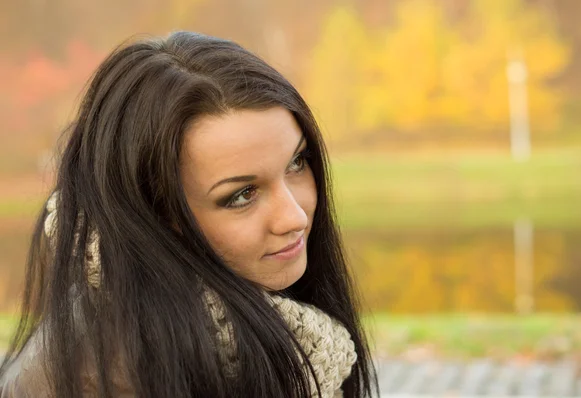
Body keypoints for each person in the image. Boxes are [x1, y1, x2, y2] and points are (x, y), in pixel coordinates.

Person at [0, 31, 378, 397]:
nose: (294, 217)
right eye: (242, 195)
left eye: (297, 162)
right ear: (155, 214)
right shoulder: (127, 372)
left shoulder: (214, 326)